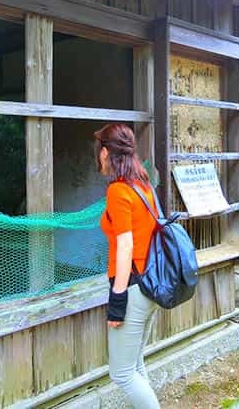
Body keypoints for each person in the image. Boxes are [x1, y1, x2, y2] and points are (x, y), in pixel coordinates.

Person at [95, 124, 160, 409]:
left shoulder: (119, 191)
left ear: (107, 152)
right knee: (135, 364)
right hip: (149, 284)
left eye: (99, 151)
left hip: (131, 287)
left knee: (121, 373)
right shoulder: (143, 186)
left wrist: (117, 300)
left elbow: (125, 246)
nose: (98, 156)